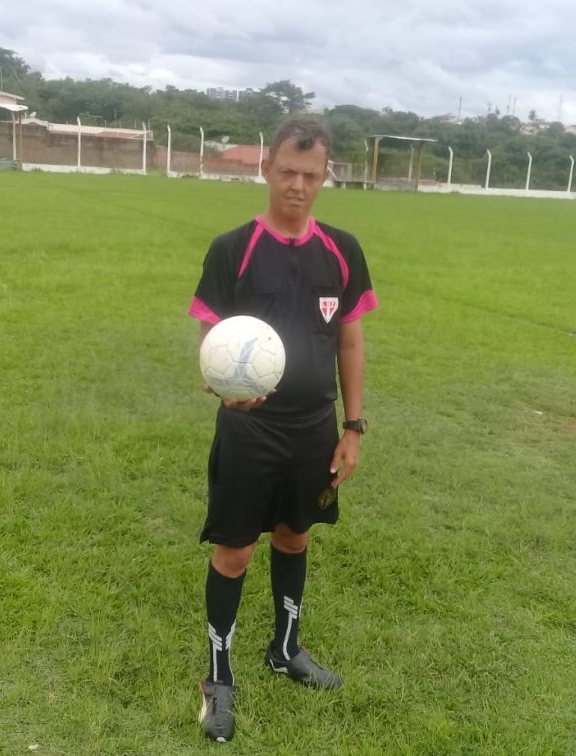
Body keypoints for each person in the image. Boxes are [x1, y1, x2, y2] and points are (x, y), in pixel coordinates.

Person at [187, 117, 377, 742]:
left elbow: (350, 340)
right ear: (266, 168)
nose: (298, 185)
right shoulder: (232, 248)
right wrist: (221, 385)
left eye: (311, 175)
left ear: (325, 177)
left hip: (314, 428)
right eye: (288, 171)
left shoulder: (341, 250)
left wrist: (352, 426)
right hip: (250, 429)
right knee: (236, 550)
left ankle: (286, 649)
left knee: (295, 537)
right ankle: (218, 679)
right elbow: (213, 339)